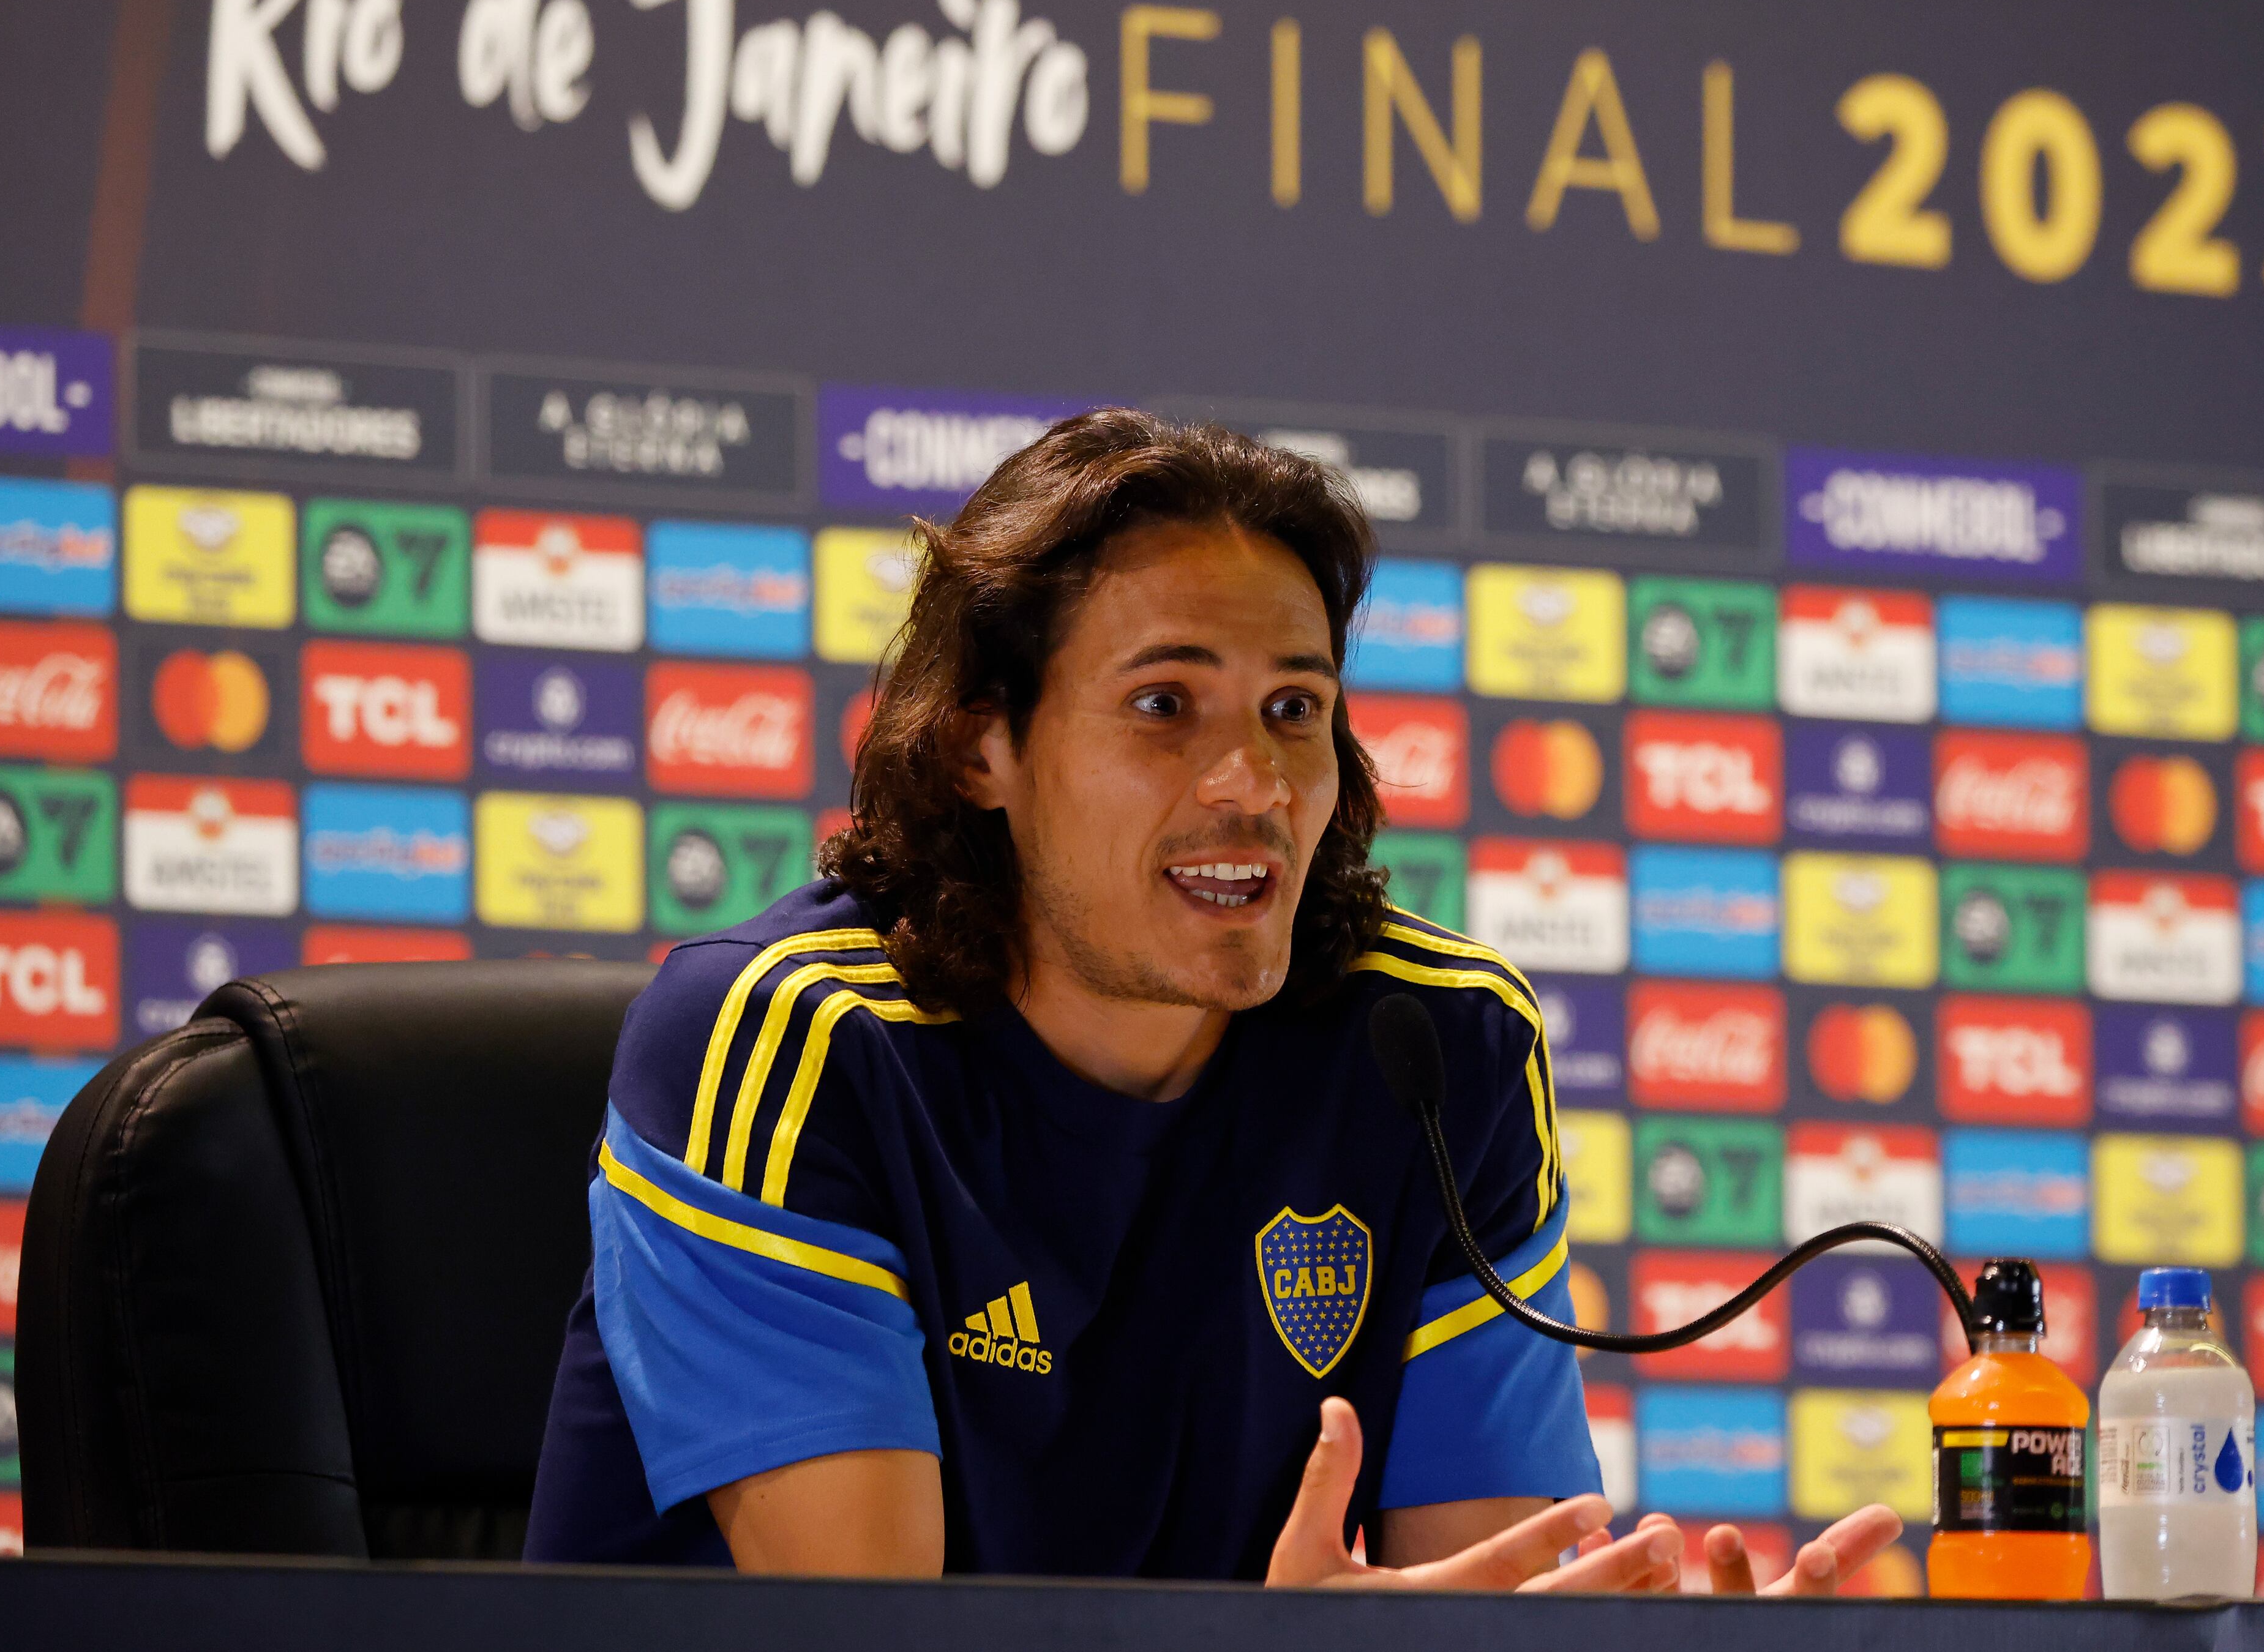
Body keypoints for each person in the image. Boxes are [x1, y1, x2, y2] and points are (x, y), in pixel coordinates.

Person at [525, 409, 1900, 1591]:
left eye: (1294, 710)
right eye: (1164, 705)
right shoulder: (793, 1048)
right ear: (978, 747)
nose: (1252, 784)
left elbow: (1488, 1592)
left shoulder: (1436, 1049)